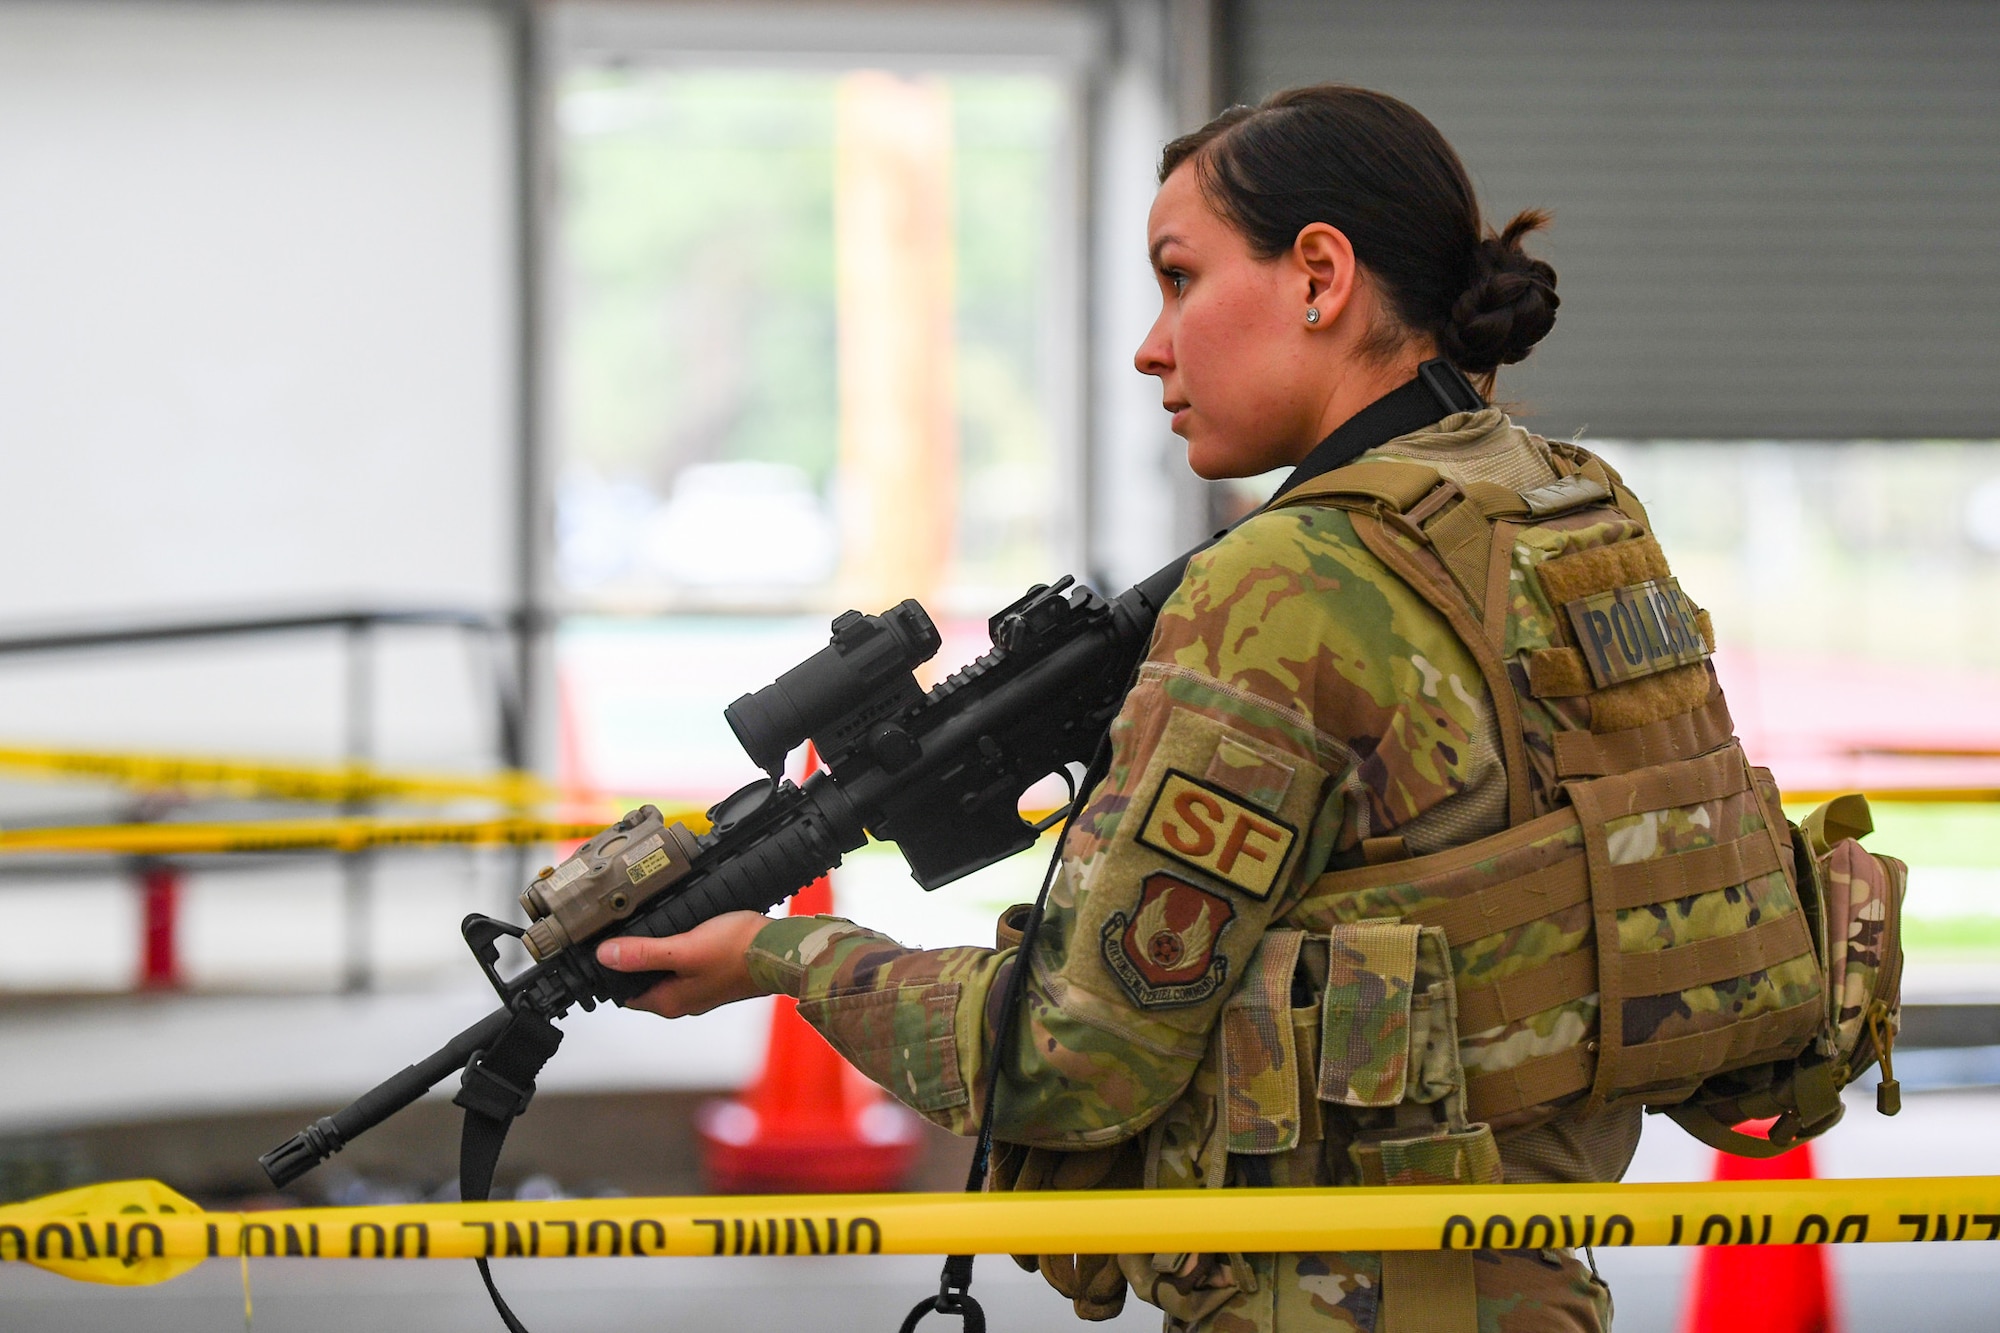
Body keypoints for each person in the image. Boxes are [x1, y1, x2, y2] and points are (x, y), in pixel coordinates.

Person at [593, 86, 1774, 1333]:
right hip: (1531, 1277)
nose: (1151, 346)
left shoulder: (1285, 583)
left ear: (1318, 274)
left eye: (1179, 279)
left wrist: (784, 956)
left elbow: (1068, 1059)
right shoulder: (1563, 503)